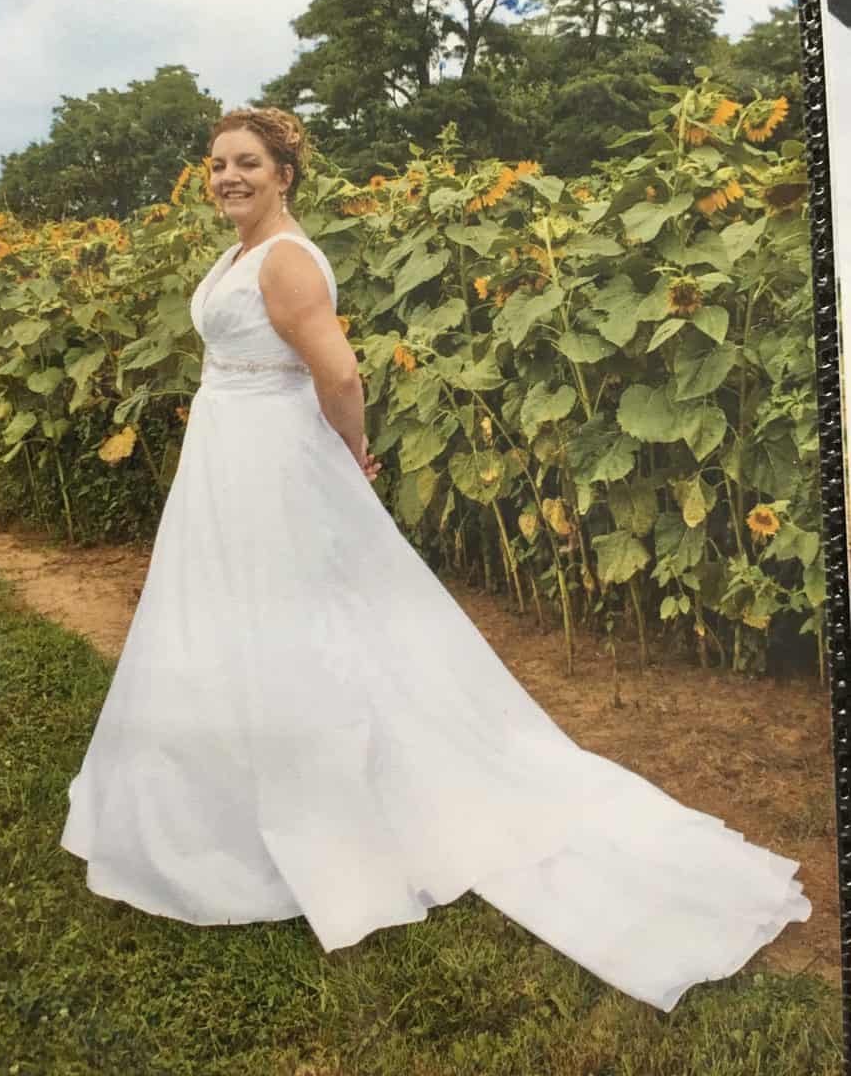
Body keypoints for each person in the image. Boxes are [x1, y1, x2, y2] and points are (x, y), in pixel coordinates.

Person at [61, 105, 811, 1015]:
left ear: (285, 172)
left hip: (271, 462)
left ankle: (313, 813)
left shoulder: (287, 258)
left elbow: (340, 374)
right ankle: (231, 797)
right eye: (218, 164)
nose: (228, 177)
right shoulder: (241, 254)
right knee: (238, 621)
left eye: (248, 163)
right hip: (232, 456)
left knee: (288, 626)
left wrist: (352, 452)